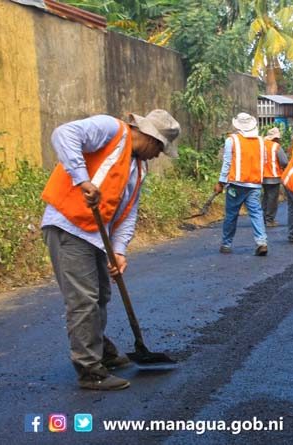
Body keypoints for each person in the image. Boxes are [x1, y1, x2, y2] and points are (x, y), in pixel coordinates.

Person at [41, 109, 180, 390]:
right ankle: (89, 370)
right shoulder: (110, 129)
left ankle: (101, 350)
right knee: (84, 299)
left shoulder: (139, 168)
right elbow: (63, 134)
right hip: (68, 225)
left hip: (94, 234)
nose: (158, 155)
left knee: (101, 294)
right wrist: (82, 179)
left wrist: (119, 251)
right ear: (151, 138)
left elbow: (127, 213)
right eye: (160, 149)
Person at [214, 113, 268, 256]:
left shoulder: (232, 140)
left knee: (231, 214)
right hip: (255, 184)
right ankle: (261, 242)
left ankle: (226, 244)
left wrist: (221, 182)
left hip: (236, 185)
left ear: (237, 125)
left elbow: (227, 163)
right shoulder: (261, 141)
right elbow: (265, 161)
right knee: (256, 213)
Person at [261, 127, 289, 227]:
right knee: (272, 199)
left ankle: (263, 218)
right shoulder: (276, 146)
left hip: (262, 176)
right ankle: (269, 220)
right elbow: (284, 161)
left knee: (266, 197)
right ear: (275, 138)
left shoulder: (261, 145)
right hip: (274, 176)